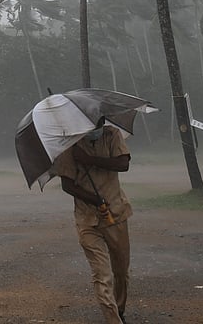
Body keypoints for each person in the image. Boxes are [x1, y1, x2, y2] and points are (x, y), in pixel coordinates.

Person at [54, 122, 132, 324]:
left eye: (100, 119)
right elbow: (67, 185)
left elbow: (123, 164)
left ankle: (120, 309)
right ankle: (113, 319)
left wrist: (90, 160)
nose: (96, 125)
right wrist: (94, 199)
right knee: (102, 274)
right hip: (87, 220)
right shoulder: (70, 145)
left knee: (121, 271)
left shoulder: (112, 134)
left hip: (116, 214)